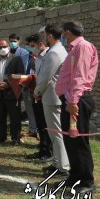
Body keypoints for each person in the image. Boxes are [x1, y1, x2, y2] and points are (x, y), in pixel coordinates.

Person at [56, 21, 99, 193]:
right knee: (70, 139)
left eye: (63, 34)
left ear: (67, 32)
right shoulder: (74, 48)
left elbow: (80, 75)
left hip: (78, 100)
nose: (63, 38)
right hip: (70, 99)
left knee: (79, 140)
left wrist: (73, 101)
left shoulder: (83, 47)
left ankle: (87, 181)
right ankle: (75, 176)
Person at [33, 24, 70, 178]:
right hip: (53, 96)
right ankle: (57, 163)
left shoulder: (55, 52)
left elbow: (45, 76)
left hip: (52, 97)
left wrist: (37, 91)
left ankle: (62, 166)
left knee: (56, 133)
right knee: (55, 132)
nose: (44, 38)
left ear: (49, 36)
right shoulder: (59, 50)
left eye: (45, 36)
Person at [0, 39, 25, 145]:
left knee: (14, 117)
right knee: (0, 117)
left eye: (4, 46)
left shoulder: (17, 59)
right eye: (0, 47)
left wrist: (8, 84)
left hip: (12, 93)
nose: (2, 49)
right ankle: (1, 137)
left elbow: (20, 76)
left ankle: (15, 138)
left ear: (8, 47)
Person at [25, 33, 52, 162]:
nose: (31, 49)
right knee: (41, 124)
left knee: (46, 125)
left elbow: (47, 78)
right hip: (37, 94)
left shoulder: (49, 56)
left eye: (32, 46)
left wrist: (38, 91)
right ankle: (43, 149)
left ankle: (48, 151)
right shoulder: (39, 57)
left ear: (40, 44)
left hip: (45, 96)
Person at [10, 33, 37, 138]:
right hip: (22, 83)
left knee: (33, 108)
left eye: (31, 45)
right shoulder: (24, 54)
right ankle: (33, 129)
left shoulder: (36, 56)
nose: (29, 47)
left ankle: (35, 128)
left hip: (32, 84)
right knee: (27, 107)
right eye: (28, 45)